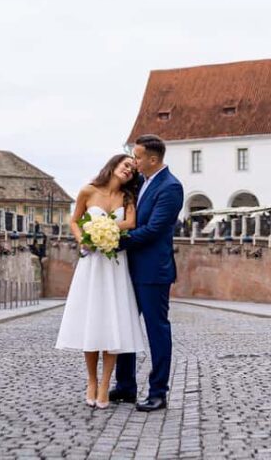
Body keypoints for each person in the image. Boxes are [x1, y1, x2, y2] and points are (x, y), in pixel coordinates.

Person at [54, 154, 146, 409]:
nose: (129, 170)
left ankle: (106, 384)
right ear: (114, 164)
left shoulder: (128, 197)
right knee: (91, 320)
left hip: (115, 264)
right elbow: (74, 221)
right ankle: (92, 381)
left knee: (112, 321)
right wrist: (83, 238)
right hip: (91, 263)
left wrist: (105, 228)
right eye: (126, 164)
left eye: (133, 169)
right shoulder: (88, 190)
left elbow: (131, 222)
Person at [110, 134, 184, 412]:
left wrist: (114, 241)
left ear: (153, 159)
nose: (134, 161)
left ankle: (158, 392)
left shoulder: (171, 187)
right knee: (126, 325)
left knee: (157, 331)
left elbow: (154, 230)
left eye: (138, 157)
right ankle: (126, 386)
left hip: (154, 271)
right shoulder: (142, 182)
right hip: (129, 268)